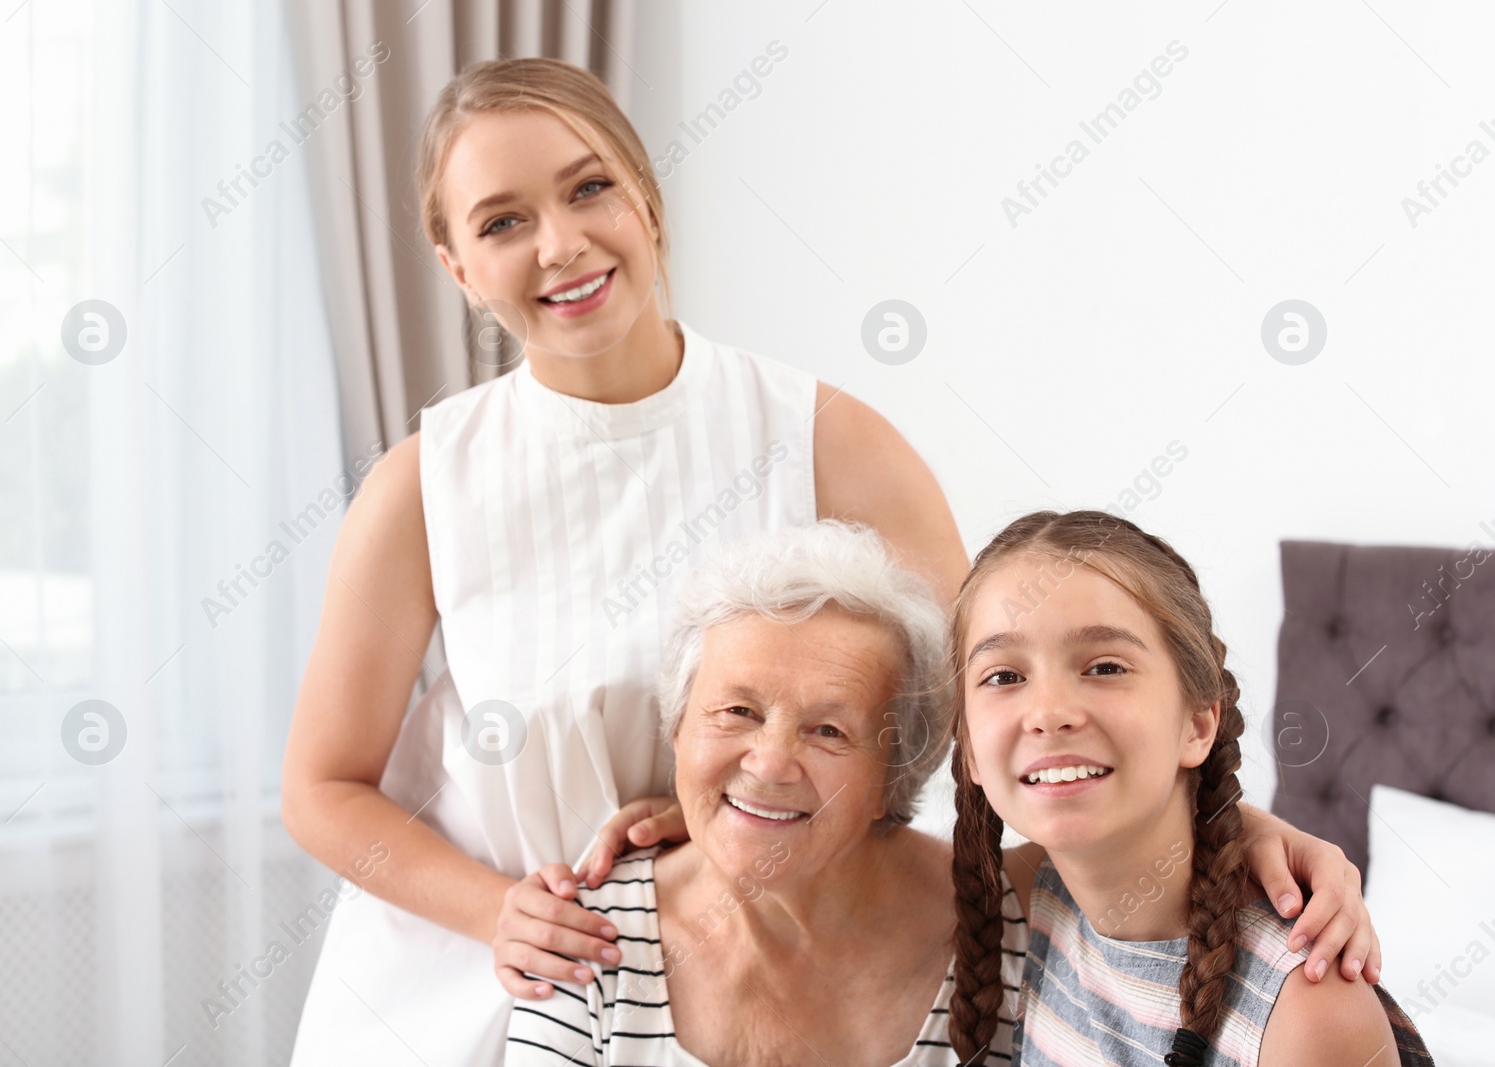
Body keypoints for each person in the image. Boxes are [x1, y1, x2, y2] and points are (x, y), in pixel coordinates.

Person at [280, 57, 965, 1066]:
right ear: (456, 264)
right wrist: (500, 912)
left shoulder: (821, 436)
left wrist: (1211, 832)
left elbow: (977, 705)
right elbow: (320, 786)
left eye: (589, 187)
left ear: (646, 197)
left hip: (731, 977)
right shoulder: (422, 485)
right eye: (502, 221)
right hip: (470, 978)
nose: (561, 244)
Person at [509, 523, 1393, 1066]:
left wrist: (1251, 826)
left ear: (893, 783)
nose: (771, 760)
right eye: (734, 713)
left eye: (829, 729)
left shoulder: (1003, 916)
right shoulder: (584, 938)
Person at [947, 510, 1433, 1066]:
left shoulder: (1309, 1009)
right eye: (1004, 677)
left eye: (1105, 667)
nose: (1048, 713)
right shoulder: (1023, 901)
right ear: (968, 745)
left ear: (1198, 725)